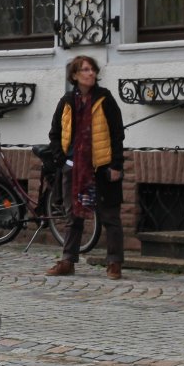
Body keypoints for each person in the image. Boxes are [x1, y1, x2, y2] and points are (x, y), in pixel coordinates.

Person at [45, 55, 126, 278]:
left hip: (102, 167)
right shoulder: (67, 101)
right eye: (85, 70)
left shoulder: (105, 99)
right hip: (74, 168)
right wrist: (62, 161)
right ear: (75, 75)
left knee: (110, 216)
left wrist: (116, 165)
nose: (91, 73)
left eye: (92, 70)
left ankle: (114, 262)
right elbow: (55, 134)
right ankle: (67, 261)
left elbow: (117, 134)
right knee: (73, 217)